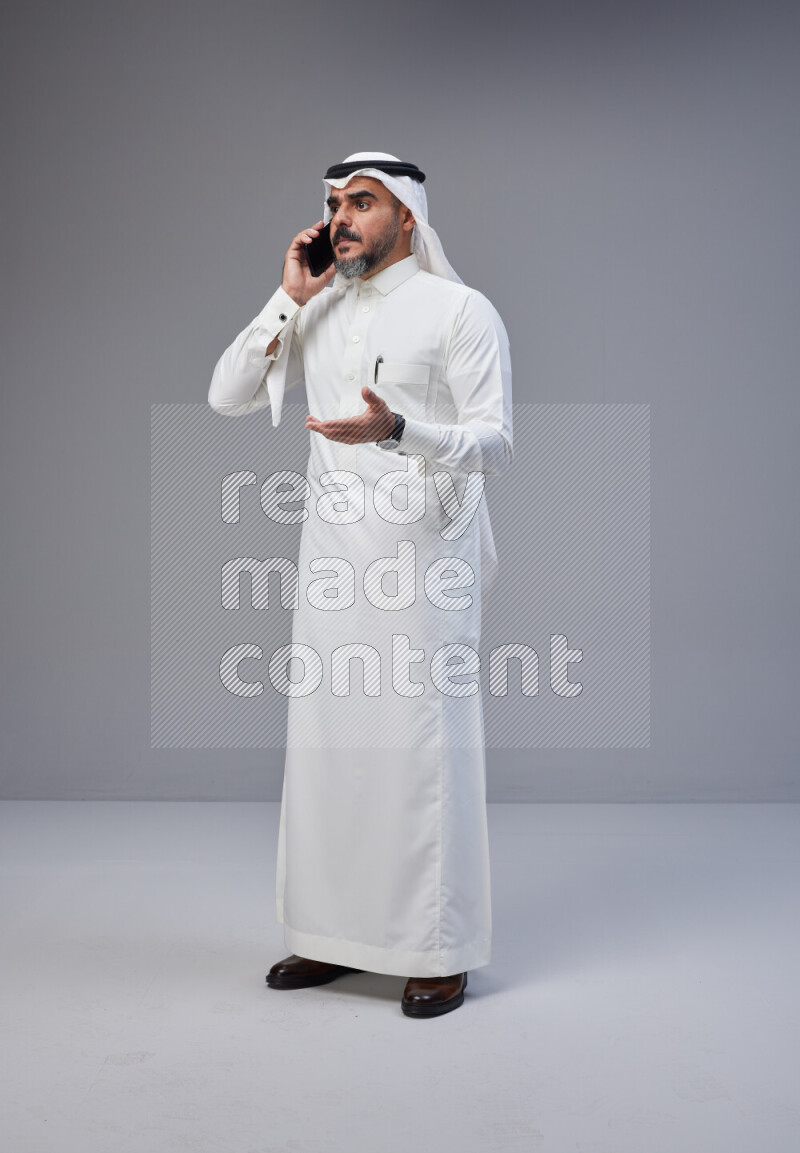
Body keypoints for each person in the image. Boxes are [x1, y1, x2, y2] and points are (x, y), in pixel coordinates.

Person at [208, 152, 513, 1018]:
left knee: (423, 753)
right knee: (330, 749)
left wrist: (400, 429)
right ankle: (330, 935)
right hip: (334, 566)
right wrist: (288, 299)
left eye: (364, 203)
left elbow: (496, 442)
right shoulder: (322, 307)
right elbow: (227, 391)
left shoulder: (461, 310)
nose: (343, 218)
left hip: (424, 562)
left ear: (408, 218)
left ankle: (439, 948)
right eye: (336, 203)